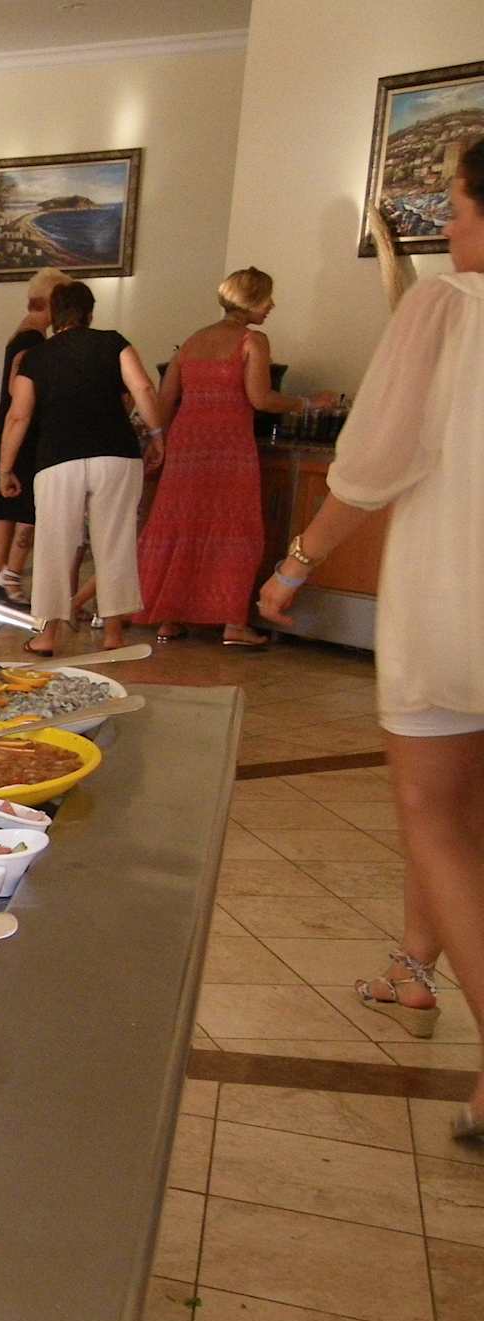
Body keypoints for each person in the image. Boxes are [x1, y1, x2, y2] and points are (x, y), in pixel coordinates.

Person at [257, 138, 484, 1137]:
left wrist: (296, 561)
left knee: (432, 813)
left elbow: (375, 461)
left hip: (458, 594)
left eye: (458, 208)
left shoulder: (446, 305)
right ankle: (412, 969)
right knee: (463, 818)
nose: (451, 228)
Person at [138, 268, 337, 647]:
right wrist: (309, 402)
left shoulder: (191, 342)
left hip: (187, 444)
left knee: (181, 524)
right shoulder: (253, 340)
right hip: (228, 446)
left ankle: (169, 617)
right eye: (266, 298)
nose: (271, 305)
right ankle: (233, 623)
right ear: (251, 300)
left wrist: (157, 440)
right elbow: (261, 398)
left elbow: (166, 399)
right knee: (235, 530)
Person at [0, 279, 166, 654]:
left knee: (53, 545)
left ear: (54, 314)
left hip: (57, 459)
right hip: (116, 455)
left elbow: (18, 416)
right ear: (90, 313)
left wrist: (5, 469)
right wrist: (157, 435)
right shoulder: (113, 342)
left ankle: (47, 635)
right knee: (115, 542)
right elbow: (143, 389)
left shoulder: (37, 357)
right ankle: (113, 634)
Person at [0, 268, 71, 605]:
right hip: (25, 429)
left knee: (5, 502)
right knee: (27, 504)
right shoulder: (34, 342)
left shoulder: (19, 336)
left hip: (7, 426)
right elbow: (19, 390)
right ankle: (10, 577)